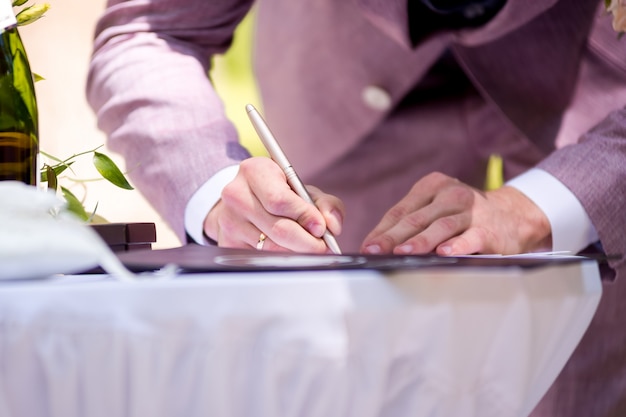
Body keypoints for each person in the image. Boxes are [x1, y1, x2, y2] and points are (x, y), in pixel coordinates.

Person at [87, 0, 626, 415]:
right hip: (339, 89)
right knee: (343, 380)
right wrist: (214, 187)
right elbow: (149, 32)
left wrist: (542, 206)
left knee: (583, 384)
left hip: (590, 101)